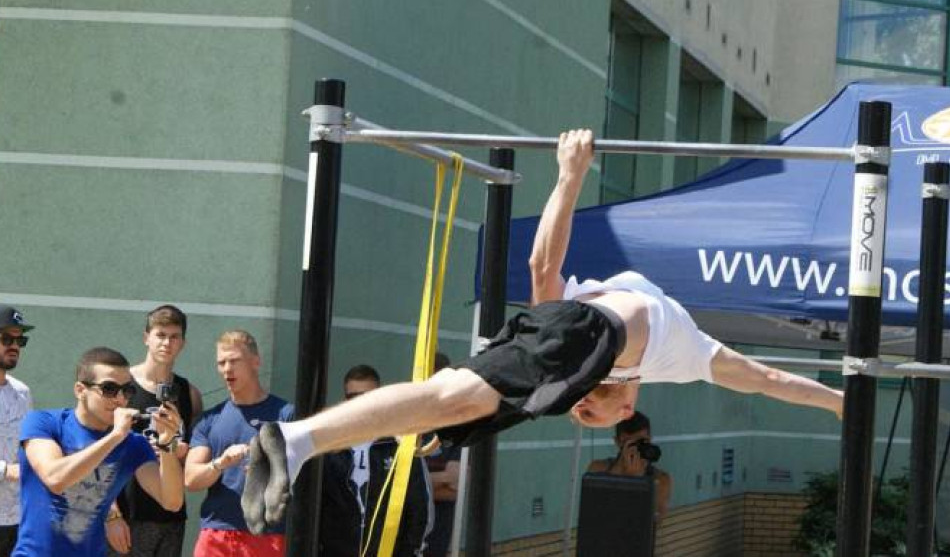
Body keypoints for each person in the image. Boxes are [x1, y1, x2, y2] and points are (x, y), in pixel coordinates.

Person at [242, 129, 843, 533]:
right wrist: (569, 175)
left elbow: (544, 286)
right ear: (629, 405)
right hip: (576, 333)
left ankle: (298, 440)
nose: (584, 409)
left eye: (579, 411)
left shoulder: (584, 353)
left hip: (556, 348)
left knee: (446, 406)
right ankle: (295, 440)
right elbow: (767, 379)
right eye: (591, 414)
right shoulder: (684, 355)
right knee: (448, 397)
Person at [14, 347, 184, 556]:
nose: (120, 398)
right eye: (109, 389)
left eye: (127, 390)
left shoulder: (133, 444)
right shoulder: (44, 422)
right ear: (80, 390)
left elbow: (172, 502)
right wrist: (115, 436)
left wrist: (167, 444)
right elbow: (55, 478)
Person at [184, 331, 293, 557]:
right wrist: (220, 463)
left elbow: (307, 475)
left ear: (256, 362)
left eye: (234, 361)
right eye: (221, 363)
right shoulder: (209, 419)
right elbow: (191, 479)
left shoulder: (286, 415)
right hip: (216, 533)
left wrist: (268, 470)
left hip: (267, 535)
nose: (227, 369)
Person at [106, 305, 204, 557]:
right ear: (146, 338)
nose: (166, 343)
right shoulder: (121, 386)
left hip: (170, 517)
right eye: (160, 335)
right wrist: (111, 514)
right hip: (126, 514)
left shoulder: (189, 393)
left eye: (174, 336)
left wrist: (178, 450)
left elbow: (194, 456)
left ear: (182, 343)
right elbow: (98, 452)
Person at [319, 365, 431, 557]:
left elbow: (419, 505)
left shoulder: (400, 444)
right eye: (353, 397)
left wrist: (409, 551)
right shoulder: (329, 448)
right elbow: (315, 505)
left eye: (368, 397)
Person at [585, 412, 672, 528]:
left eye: (641, 442)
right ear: (617, 442)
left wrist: (638, 484)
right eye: (631, 443)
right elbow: (593, 514)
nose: (636, 449)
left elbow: (654, 522)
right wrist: (620, 475)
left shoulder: (660, 479)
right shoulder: (598, 469)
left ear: (649, 440)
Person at [0, 306, 33, 556]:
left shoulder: (22, 392)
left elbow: (26, 446)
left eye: (19, 340)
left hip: (17, 519)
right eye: (6, 339)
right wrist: (6, 470)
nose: (14, 346)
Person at [423, 353, 459, 557]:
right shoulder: (409, 426)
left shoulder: (457, 427)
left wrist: (416, 485)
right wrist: (441, 479)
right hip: (405, 538)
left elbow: (456, 487)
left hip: (437, 540)